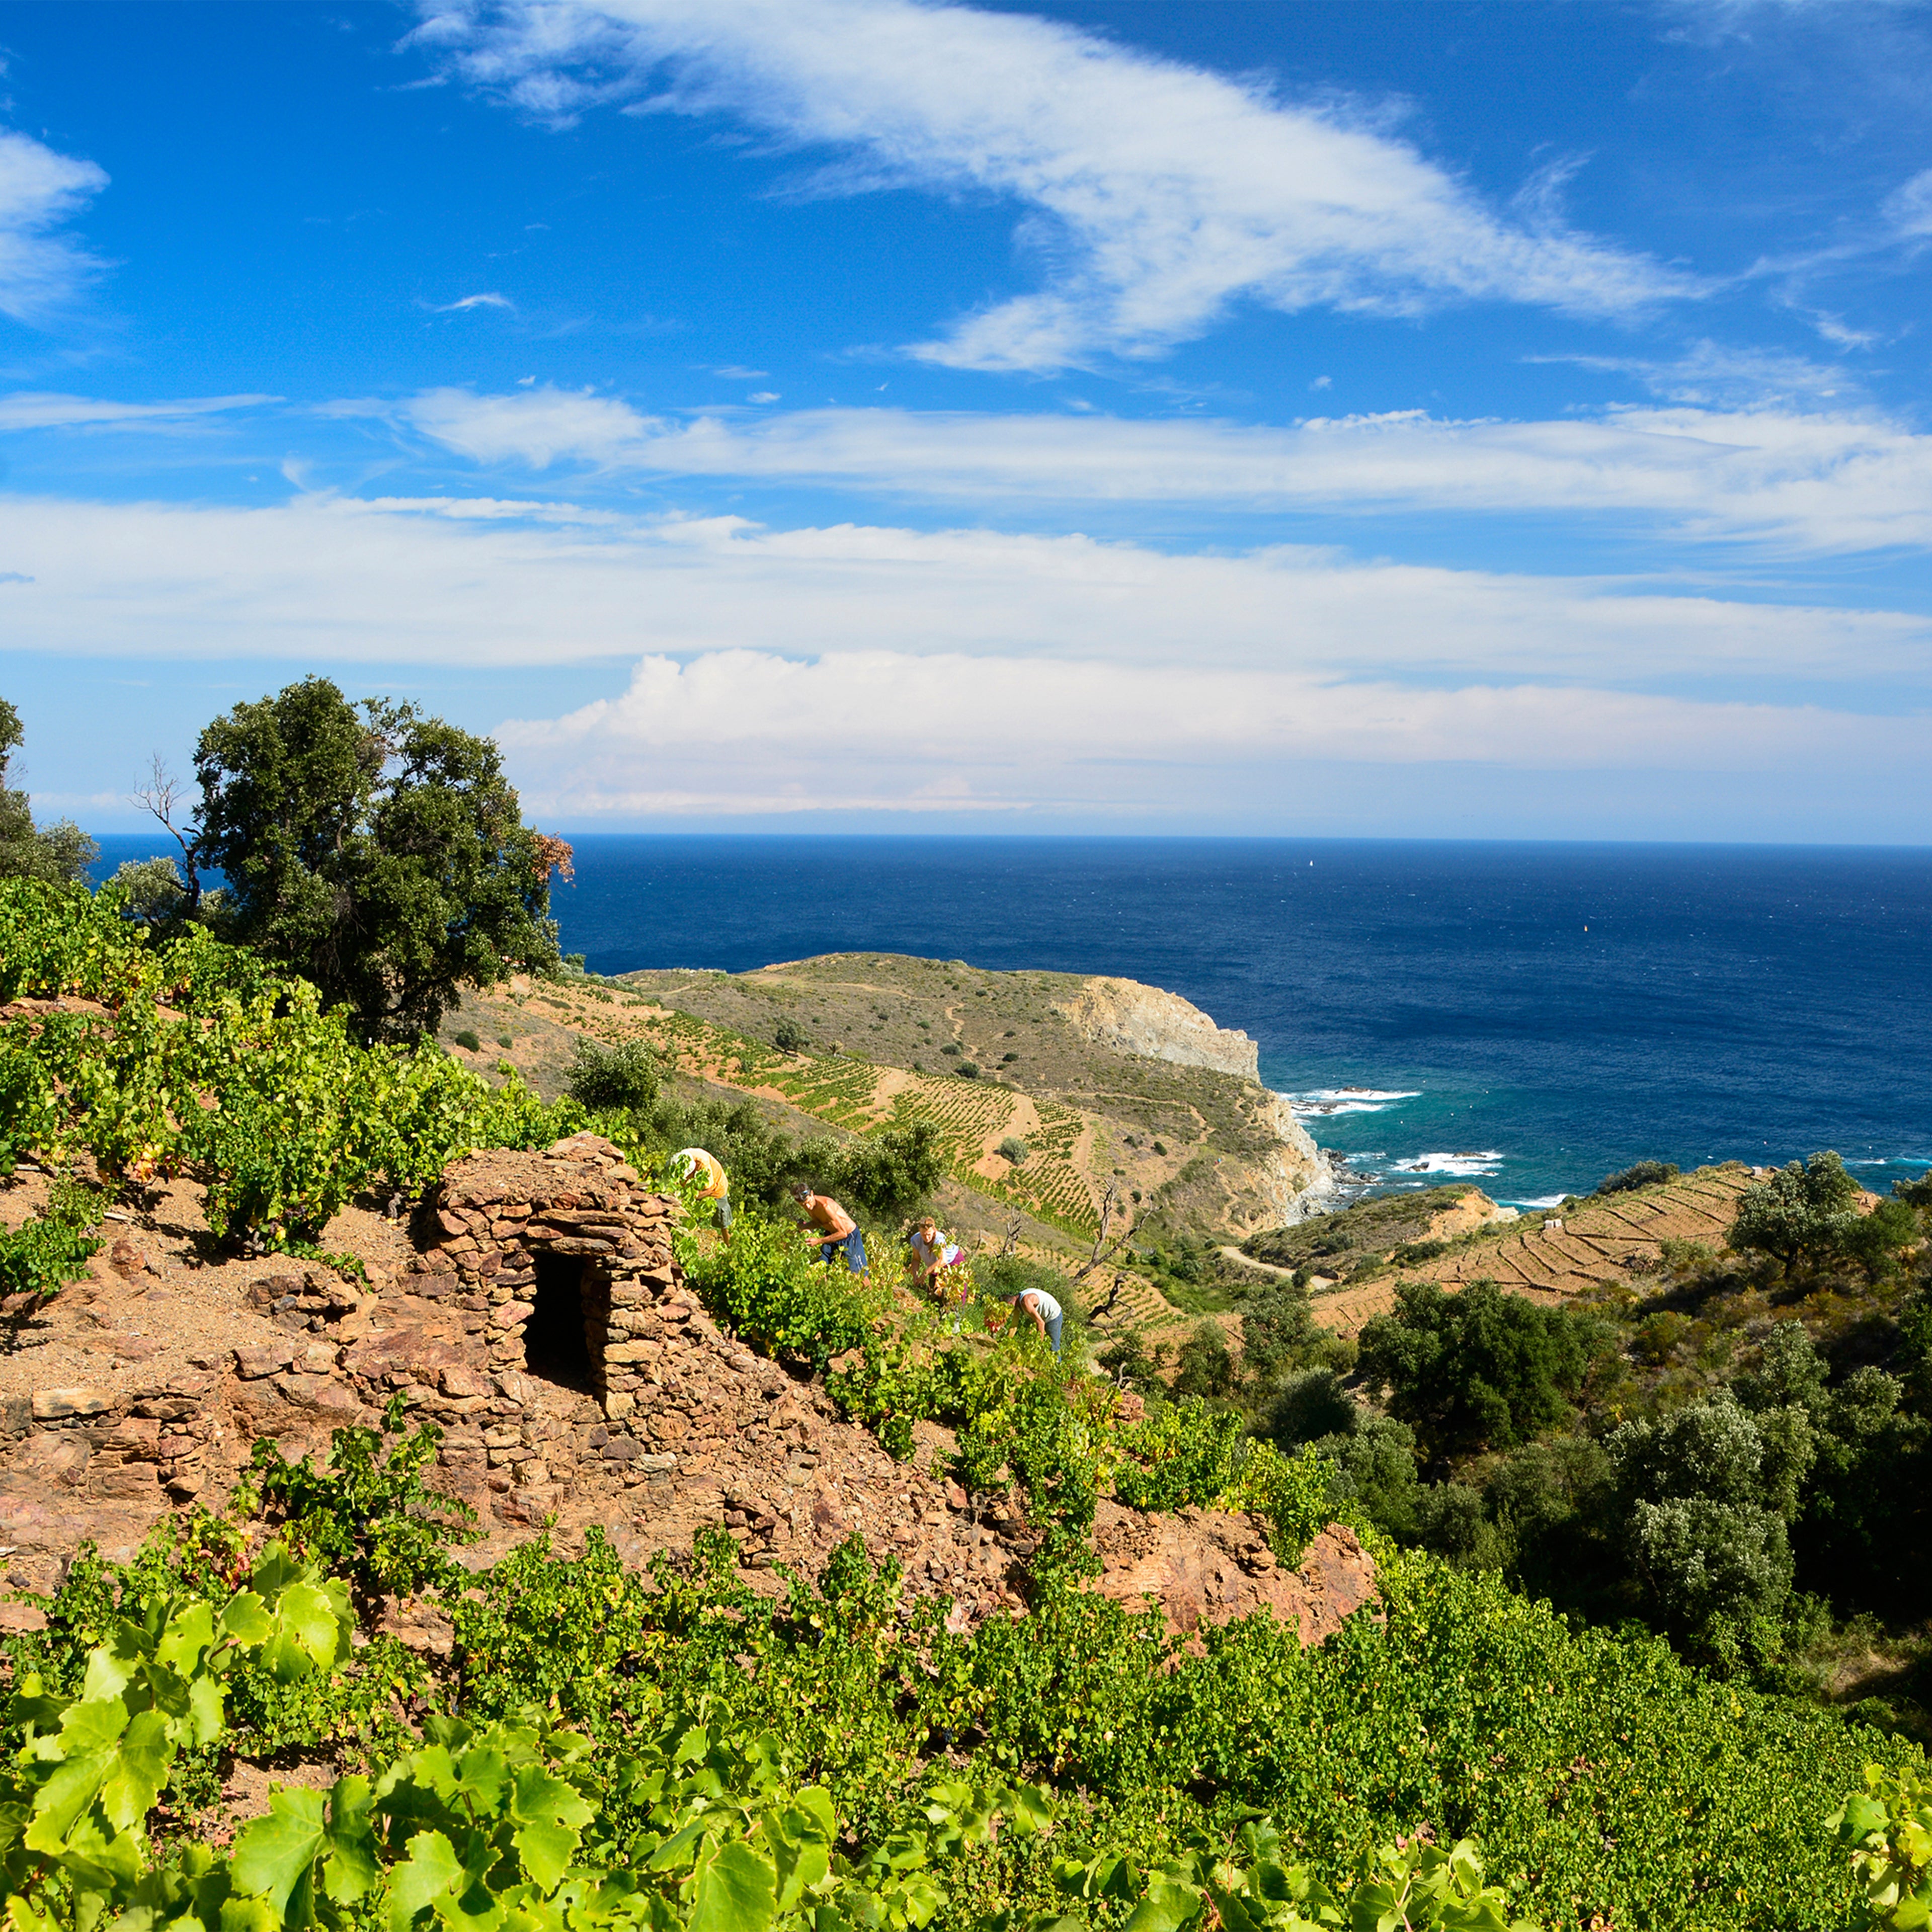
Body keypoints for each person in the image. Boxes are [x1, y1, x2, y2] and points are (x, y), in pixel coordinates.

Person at [794, 1180, 867, 1276]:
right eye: (803, 1205)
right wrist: (804, 1226)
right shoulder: (809, 1207)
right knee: (821, 1267)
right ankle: (822, 1290)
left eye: (808, 1202)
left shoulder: (826, 1206)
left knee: (858, 1274)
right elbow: (819, 1222)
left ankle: (870, 1291)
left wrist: (818, 1241)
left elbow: (843, 1233)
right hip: (831, 1236)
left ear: (812, 1194)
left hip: (849, 1237)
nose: (807, 1206)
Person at [672, 1147, 731, 1240]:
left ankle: (729, 1244)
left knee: (723, 1221)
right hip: (695, 1188)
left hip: (717, 1188)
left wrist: (691, 1198)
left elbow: (709, 1190)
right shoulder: (679, 1158)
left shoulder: (704, 1165)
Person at [907, 1215, 963, 1296]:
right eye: (923, 1235)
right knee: (933, 1293)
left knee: (951, 1294)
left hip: (952, 1263)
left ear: (934, 1231)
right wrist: (915, 1275)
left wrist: (926, 1273)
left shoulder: (939, 1240)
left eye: (929, 1234)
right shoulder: (916, 1240)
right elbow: (916, 1259)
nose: (926, 1237)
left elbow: (943, 1260)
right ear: (920, 1231)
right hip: (935, 1265)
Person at [1006, 1282, 1064, 1354]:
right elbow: (1014, 1327)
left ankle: (1057, 1363)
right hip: (1042, 1315)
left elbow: (1041, 1323)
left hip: (1054, 1315)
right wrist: (1006, 1342)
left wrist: (1038, 1348)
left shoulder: (1025, 1302)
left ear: (1010, 1304)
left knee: (1053, 1348)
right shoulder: (1017, 1301)